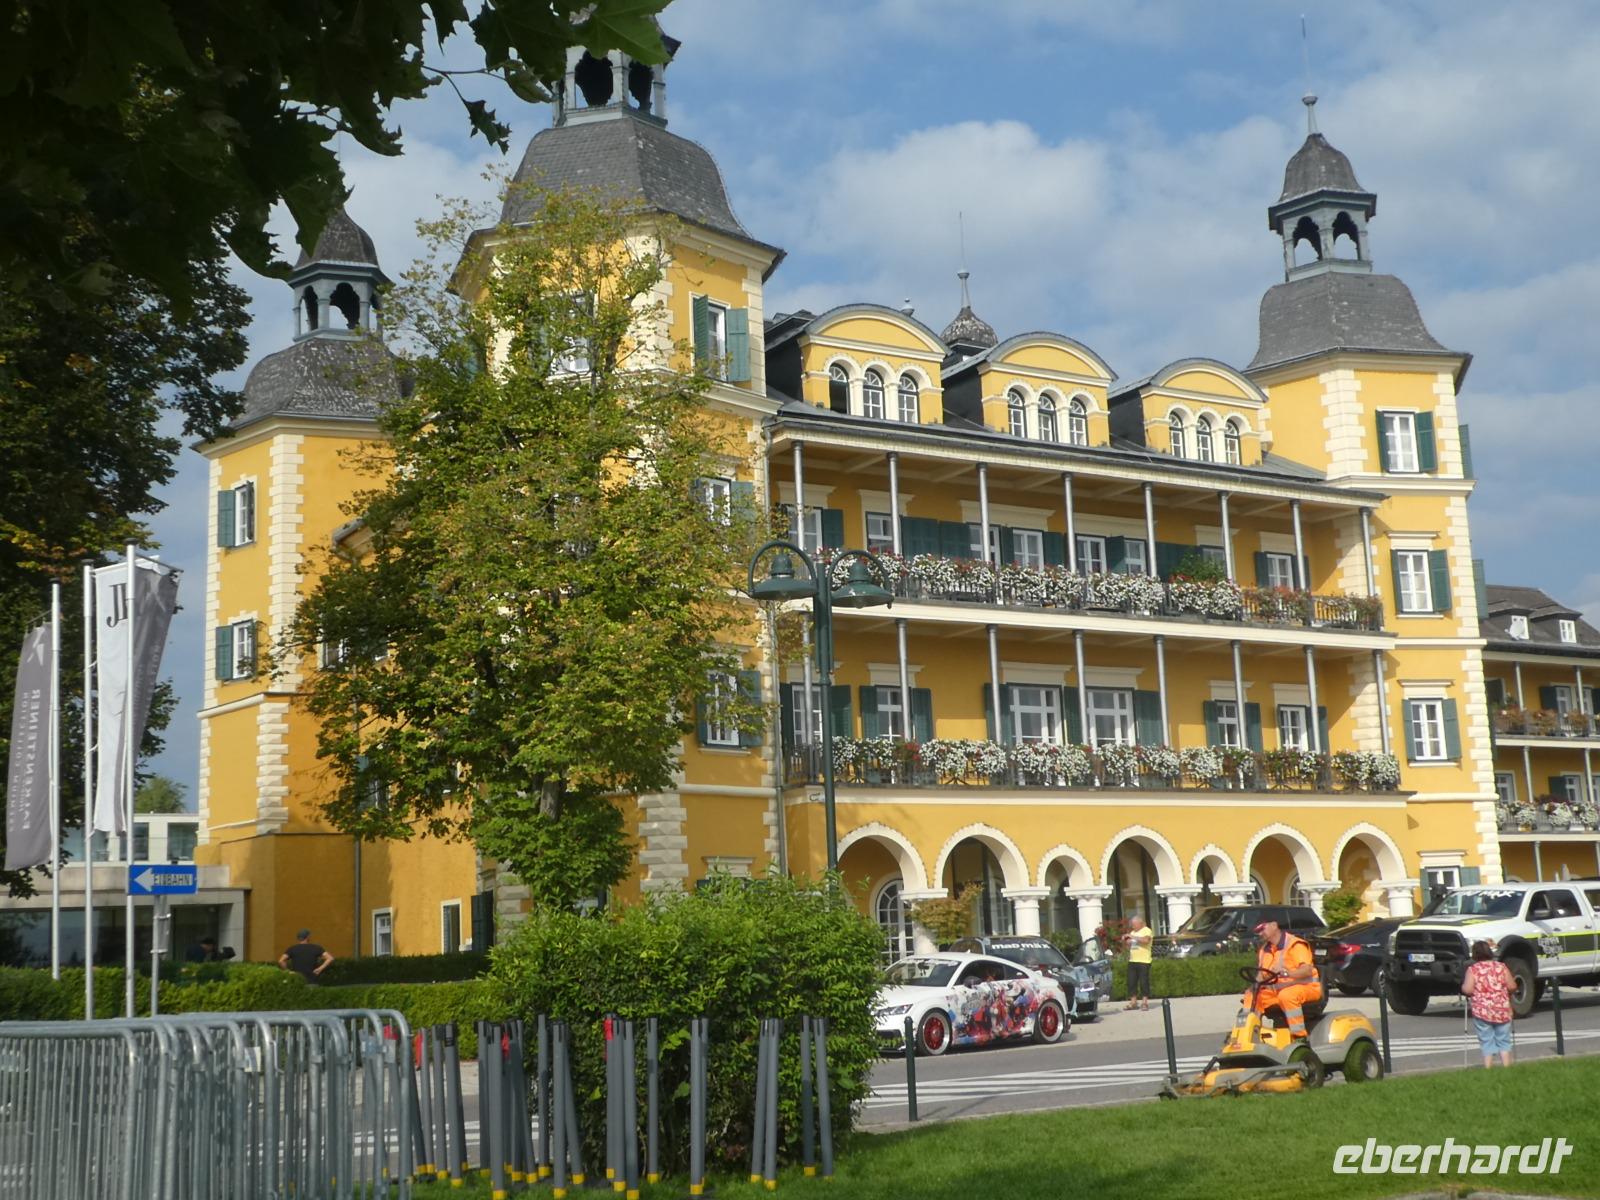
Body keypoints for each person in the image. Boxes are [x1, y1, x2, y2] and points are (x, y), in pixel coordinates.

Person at [1243, 917, 1322, 1039]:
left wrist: (1286, 973)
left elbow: (1306, 971)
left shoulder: (1295, 945)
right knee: (1251, 996)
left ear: (1274, 925)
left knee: (1286, 995)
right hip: (1276, 992)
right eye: (1257, 931)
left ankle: (1299, 1037)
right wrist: (1254, 987)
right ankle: (1248, 1035)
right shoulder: (1264, 950)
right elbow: (1261, 975)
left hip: (1307, 988)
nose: (1260, 933)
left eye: (1261, 929)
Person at [1461, 940, 1514, 1068]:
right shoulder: (1501, 967)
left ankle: (1488, 1067)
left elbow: (1468, 990)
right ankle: (1507, 1066)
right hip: (1501, 1009)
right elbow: (1512, 986)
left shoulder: (1473, 970)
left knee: (1486, 1040)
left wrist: (1464, 988)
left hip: (1482, 1010)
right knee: (1504, 1039)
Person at [1125, 917, 1153, 1011]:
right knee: (1131, 982)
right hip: (1133, 960)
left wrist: (1133, 937)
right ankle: (1133, 1002)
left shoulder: (1146, 930)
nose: (1132, 926)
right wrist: (1126, 941)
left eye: (1134, 924)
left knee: (1143, 982)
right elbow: (1129, 946)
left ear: (1140, 923)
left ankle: (1144, 1002)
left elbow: (1146, 941)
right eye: (1132, 924)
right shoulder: (1133, 932)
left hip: (1144, 961)